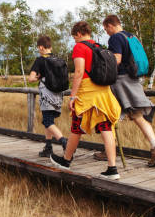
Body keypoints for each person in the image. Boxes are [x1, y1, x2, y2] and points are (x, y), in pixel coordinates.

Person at [50, 21, 121, 179]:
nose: (74, 40)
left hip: (87, 92)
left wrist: (73, 95)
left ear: (79, 34)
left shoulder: (79, 47)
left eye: (74, 37)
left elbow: (79, 72)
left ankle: (66, 160)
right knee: (105, 127)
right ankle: (112, 168)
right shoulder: (98, 46)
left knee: (77, 126)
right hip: (103, 92)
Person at [95, 14, 155, 167]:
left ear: (110, 25)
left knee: (108, 115)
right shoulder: (131, 36)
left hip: (121, 81)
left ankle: (108, 151)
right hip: (133, 79)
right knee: (138, 115)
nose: (106, 32)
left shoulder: (115, 38)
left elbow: (117, 59)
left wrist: (102, 60)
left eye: (105, 29)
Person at [28, 35, 68, 157]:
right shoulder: (58, 59)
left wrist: (38, 77)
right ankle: (48, 146)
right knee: (48, 120)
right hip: (58, 95)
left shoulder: (40, 60)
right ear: (50, 46)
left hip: (46, 94)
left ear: (41, 47)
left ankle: (64, 141)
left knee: (47, 121)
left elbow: (30, 79)